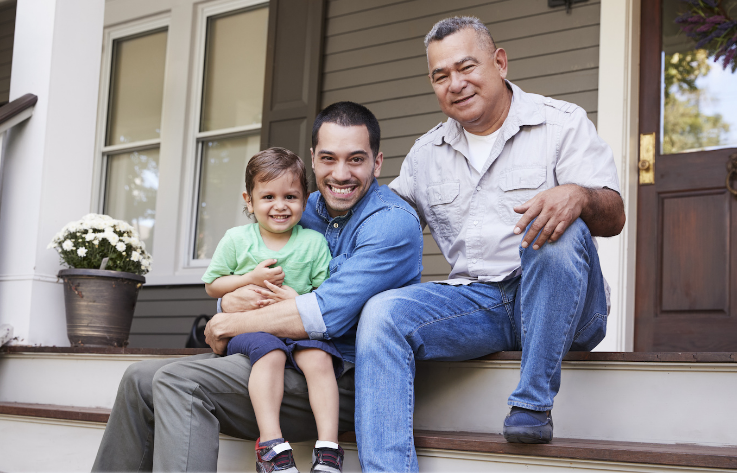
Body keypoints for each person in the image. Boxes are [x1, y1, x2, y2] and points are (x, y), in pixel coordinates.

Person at [353, 16, 626, 471]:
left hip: (570, 304)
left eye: (467, 67)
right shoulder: (426, 154)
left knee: (555, 229)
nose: (455, 84)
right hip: (481, 304)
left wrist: (578, 195)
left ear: (499, 62)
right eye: (441, 76)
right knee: (382, 314)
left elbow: (614, 215)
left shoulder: (560, 123)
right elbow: (386, 223)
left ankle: (533, 405)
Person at [91, 102, 423, 473]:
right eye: (328, 159)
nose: (340, 174)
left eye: (356, 159)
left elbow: (324, 314)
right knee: (138, 379)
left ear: (377, 163)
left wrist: (224, 326)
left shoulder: (391, 225)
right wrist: (228, 306)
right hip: (274, 354)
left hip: (337, 375)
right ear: (313, 159)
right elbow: (248, 278)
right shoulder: (300, 206)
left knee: (178, 381)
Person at [201, 147, 343, 473]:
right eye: (268, 197)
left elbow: (325, 292)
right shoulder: (237, 239)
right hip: (250, 329)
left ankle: (328, 449)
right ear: (248, 201)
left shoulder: (313, 243)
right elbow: (213, 285)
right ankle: (271, 445)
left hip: (295, 326)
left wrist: (298, 299)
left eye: (290, 196)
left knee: (320, 356)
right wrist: (249, 279)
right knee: (271, 353)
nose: (280, 205)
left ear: (305, 200)